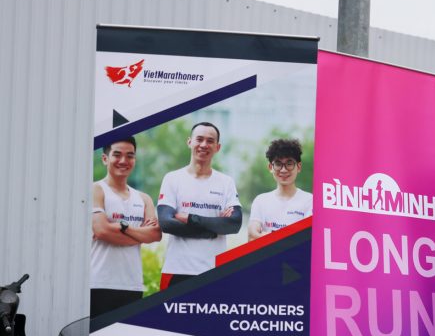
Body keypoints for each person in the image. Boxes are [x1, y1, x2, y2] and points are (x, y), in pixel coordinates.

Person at [157, 122, 241, 288]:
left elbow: (234, 224)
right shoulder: (172, 179)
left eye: (210, 141)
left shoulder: (226, 182)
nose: (204, 145)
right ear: (190, 142)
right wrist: (211, 229)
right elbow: (166, 223)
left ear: (217, 147)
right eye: (199, 139)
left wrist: (190, 218)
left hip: (214, 271)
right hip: (177, 270)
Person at [90, 137, 161, 316]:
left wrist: (122, 228)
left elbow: (155, 234)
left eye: (130, 156)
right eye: (117, 155)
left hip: (132, 285)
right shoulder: (96, 190)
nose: (124, 161)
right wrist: (139, 235)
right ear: (105, 158)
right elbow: (101, 230)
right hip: (99, 283)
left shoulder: (144, 198)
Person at [247, 138, 312, 240]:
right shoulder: (261, 200)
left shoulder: (310, 201)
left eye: (289, 164)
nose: (283, 170)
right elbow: (252, 235)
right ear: (270, 167)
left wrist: (267, 237)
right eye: (278, 164)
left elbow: (306, 237)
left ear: (299, 167)